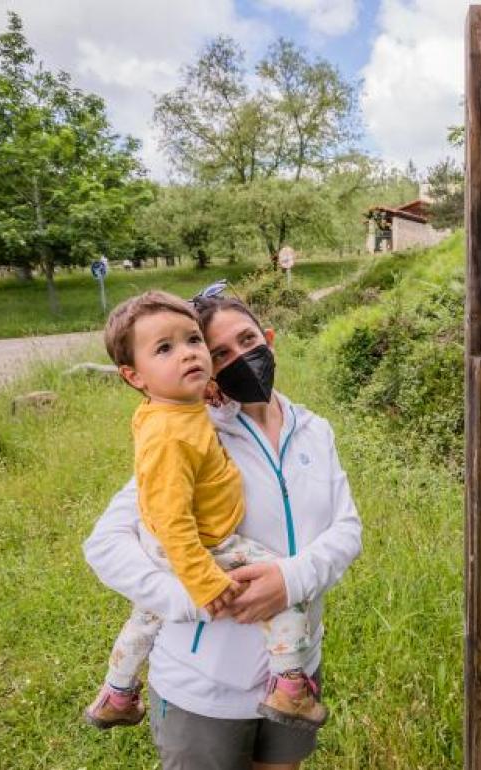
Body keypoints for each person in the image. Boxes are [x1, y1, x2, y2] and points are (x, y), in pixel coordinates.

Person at [84, 290, 362, 769]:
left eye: (248, 340)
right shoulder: (191, 435)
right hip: (203, 688)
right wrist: (192, 598)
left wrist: (289, 581)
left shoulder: (316, 430)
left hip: (295, 667)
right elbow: (106, 545)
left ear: (269, 340)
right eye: (221, 353)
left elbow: (347, 530)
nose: (240, 359)